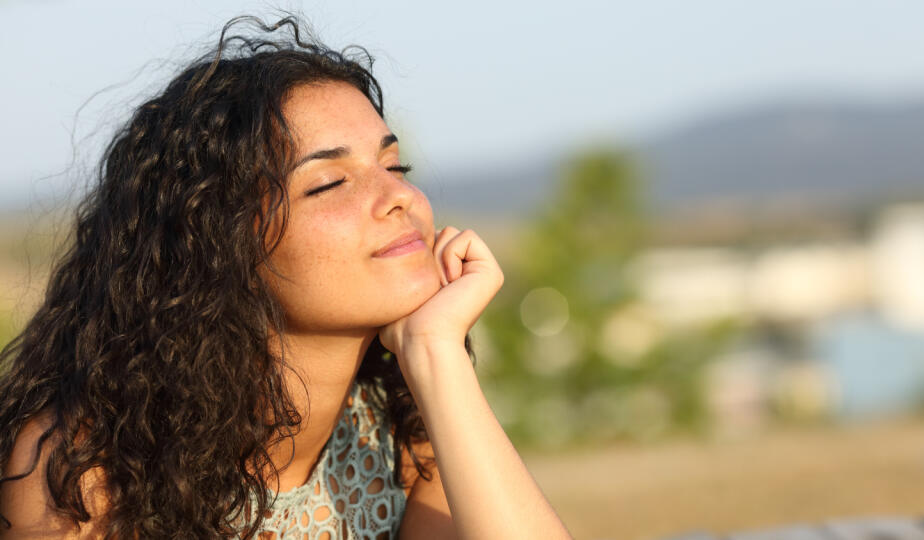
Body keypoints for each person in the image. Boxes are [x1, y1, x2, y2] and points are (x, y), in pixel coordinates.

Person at [0, 15, 571, 540]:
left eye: (395, 167)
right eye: (329, 183)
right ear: (219, 244)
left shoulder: (403, 433)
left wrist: (434, 351)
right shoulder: (85, 475)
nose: (400, 197)